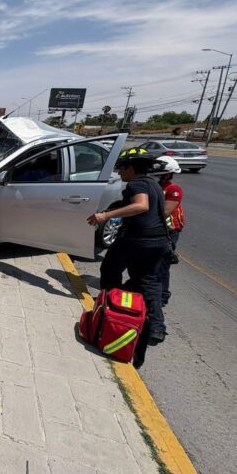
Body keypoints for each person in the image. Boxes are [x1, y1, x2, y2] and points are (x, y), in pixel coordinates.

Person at [87, 148, 171, 366]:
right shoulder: (153, 183)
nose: (119, 172)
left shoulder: (137, 184)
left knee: (110, 269)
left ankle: (109, 309)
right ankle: (156, 328)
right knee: (148, 282)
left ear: (131, 168)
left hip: (137, 240)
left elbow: (141, 206)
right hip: (158, 241)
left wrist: (106, 215)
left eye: (122, 168)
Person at [153, 155, 185, 308]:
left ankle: (162, 296)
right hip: (156, 229)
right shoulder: (157, 185)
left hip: (169, 231)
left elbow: (165, 212)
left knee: (162, 264)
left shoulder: (173, 189)